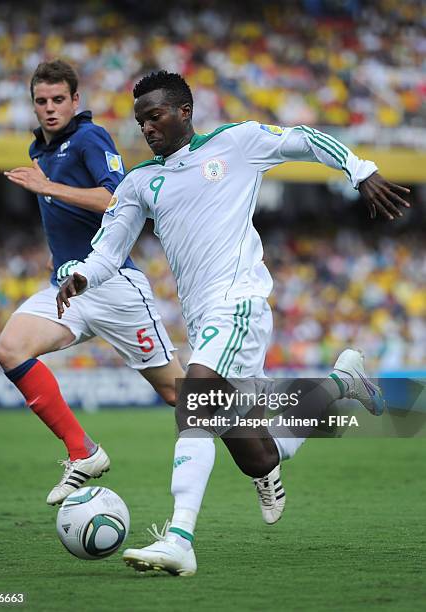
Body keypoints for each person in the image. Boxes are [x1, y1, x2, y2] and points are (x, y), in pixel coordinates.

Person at [56, 71, 410, 576]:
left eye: (155, 116)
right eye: (140, 121)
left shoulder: (237, 143)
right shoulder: (139, 183)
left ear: (184, 111)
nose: (147, 128)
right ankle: (339, 384)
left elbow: (304, 140)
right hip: (202, 321)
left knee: (194, 399)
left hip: (239, 302)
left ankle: (179, 538)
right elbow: (107, 253)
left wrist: (361, 170)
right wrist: (80, 278)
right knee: (259, 450)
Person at [0, 61, 184, 506]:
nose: (50, 108)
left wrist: (49, 188)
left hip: (114, 285)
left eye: (58, 99)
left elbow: (118, 200)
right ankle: (84, 452)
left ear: (75, 101)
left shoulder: (89, 138)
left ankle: (275, 426)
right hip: (69, 289)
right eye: (41, 101)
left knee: (178, 393)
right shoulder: (41, 151)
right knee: (10, 348)